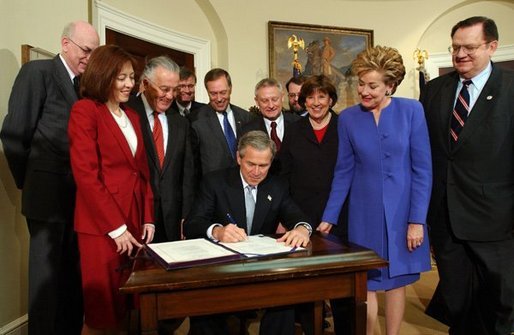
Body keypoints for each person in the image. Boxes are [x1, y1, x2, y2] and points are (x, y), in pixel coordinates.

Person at [320, 45, 432, 335]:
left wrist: (416, 220)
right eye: (361, 84)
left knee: (397, 282)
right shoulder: (347, 118)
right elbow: (343, 171)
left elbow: (423, 170)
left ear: (390, 85)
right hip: (363, 213)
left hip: (402, 213)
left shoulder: (412, 111)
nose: (364, 91)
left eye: (372, 85)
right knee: (366, 282)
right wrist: (329, 216)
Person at [0, 20, 99, 335]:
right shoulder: (37, 74)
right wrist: (29, 181)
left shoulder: (86, 88)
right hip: (46, 199)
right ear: (66, 43)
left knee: (73, 281)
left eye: (93, 53)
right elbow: (15, 135)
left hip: (78, 204)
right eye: (86, 50)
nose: (89, 58)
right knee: (46, 285)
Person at [420, 16, 514, 335]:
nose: (460, 54)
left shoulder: (511, 90)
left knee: (500, 300)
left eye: (470, 47)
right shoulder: (433, 91)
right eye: (456, 47)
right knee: (456, 299)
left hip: (496, 218)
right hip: (446, 217)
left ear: (491, 47)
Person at [184, 130, 311, 335]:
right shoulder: (215, 182)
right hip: (221, 269)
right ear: (238, 158)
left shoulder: (276, 185)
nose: (257, 172)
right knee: (206, 307)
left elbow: (296, 215)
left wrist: (302, 229)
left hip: (261, 269)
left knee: (285, 301)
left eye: (264, 166)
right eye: (251, 164)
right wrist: (217, 231)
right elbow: (192, 224)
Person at [68, 45, 155, 334]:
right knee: (102, 311)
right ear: (103, 75)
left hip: (133, 221)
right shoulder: (85, 111)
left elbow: (141, 173)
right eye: (122, 78)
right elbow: (86, 176)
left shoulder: (131, 116)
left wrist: (148, 217)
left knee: (130, 304)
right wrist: (116, 228)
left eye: (132, 77)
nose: (130, 84)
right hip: (101, 227)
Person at [278, 74, 349, 335]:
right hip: (301, 215)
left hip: (341, 214)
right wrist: (284, 215)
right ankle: (311, 329)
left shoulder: (344, 126)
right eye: (310, 97)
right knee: (307, 281)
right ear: (303, 100)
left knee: (341, 281)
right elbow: (284, 173)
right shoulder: (295, 129)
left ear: (331, 99)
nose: (316, 102)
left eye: (322, 96)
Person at [127, 56, 195, 243]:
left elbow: (187, 175)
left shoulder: (180, 123)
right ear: (146, 83)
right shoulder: (125, 113)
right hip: (135, 216)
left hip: (171, 222)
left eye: (175, 90)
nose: (170, 96)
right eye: (164, 89)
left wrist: (185, 217)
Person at [190, 68, 254, 177]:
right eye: (213, 94)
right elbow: (192, 166)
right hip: (212, 188)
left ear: (230, 89)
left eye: (223, 92)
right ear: (207, 92)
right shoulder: (195, 121)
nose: (219, 99)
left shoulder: (246, 117)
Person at [242, 78, 299, 173]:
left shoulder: (299, 124)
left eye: (274, 99)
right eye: (265, 101)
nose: (271, 105)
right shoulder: (247, 131)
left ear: (282, 97)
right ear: (257, 101)